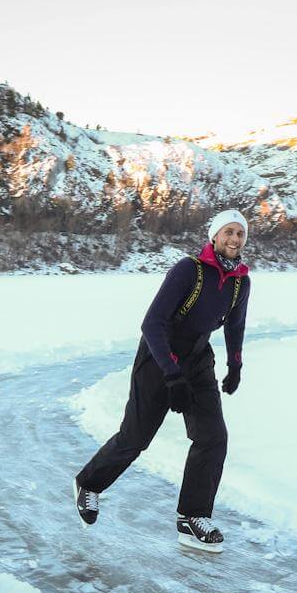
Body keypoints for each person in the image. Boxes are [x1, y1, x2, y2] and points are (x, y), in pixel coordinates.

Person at [73, 209, 252, 553]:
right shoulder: (189, 270)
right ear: (214, 236)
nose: (234, 239)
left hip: (199, 360)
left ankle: (193, 516)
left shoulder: (241, 281)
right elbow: (152, 323)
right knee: (135, 437)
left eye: (240, 234)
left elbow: (235, 326)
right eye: (228, 232)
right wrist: (171, 374)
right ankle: (89, 484)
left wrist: (235, 365)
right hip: (158, 356)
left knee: (213, 437)